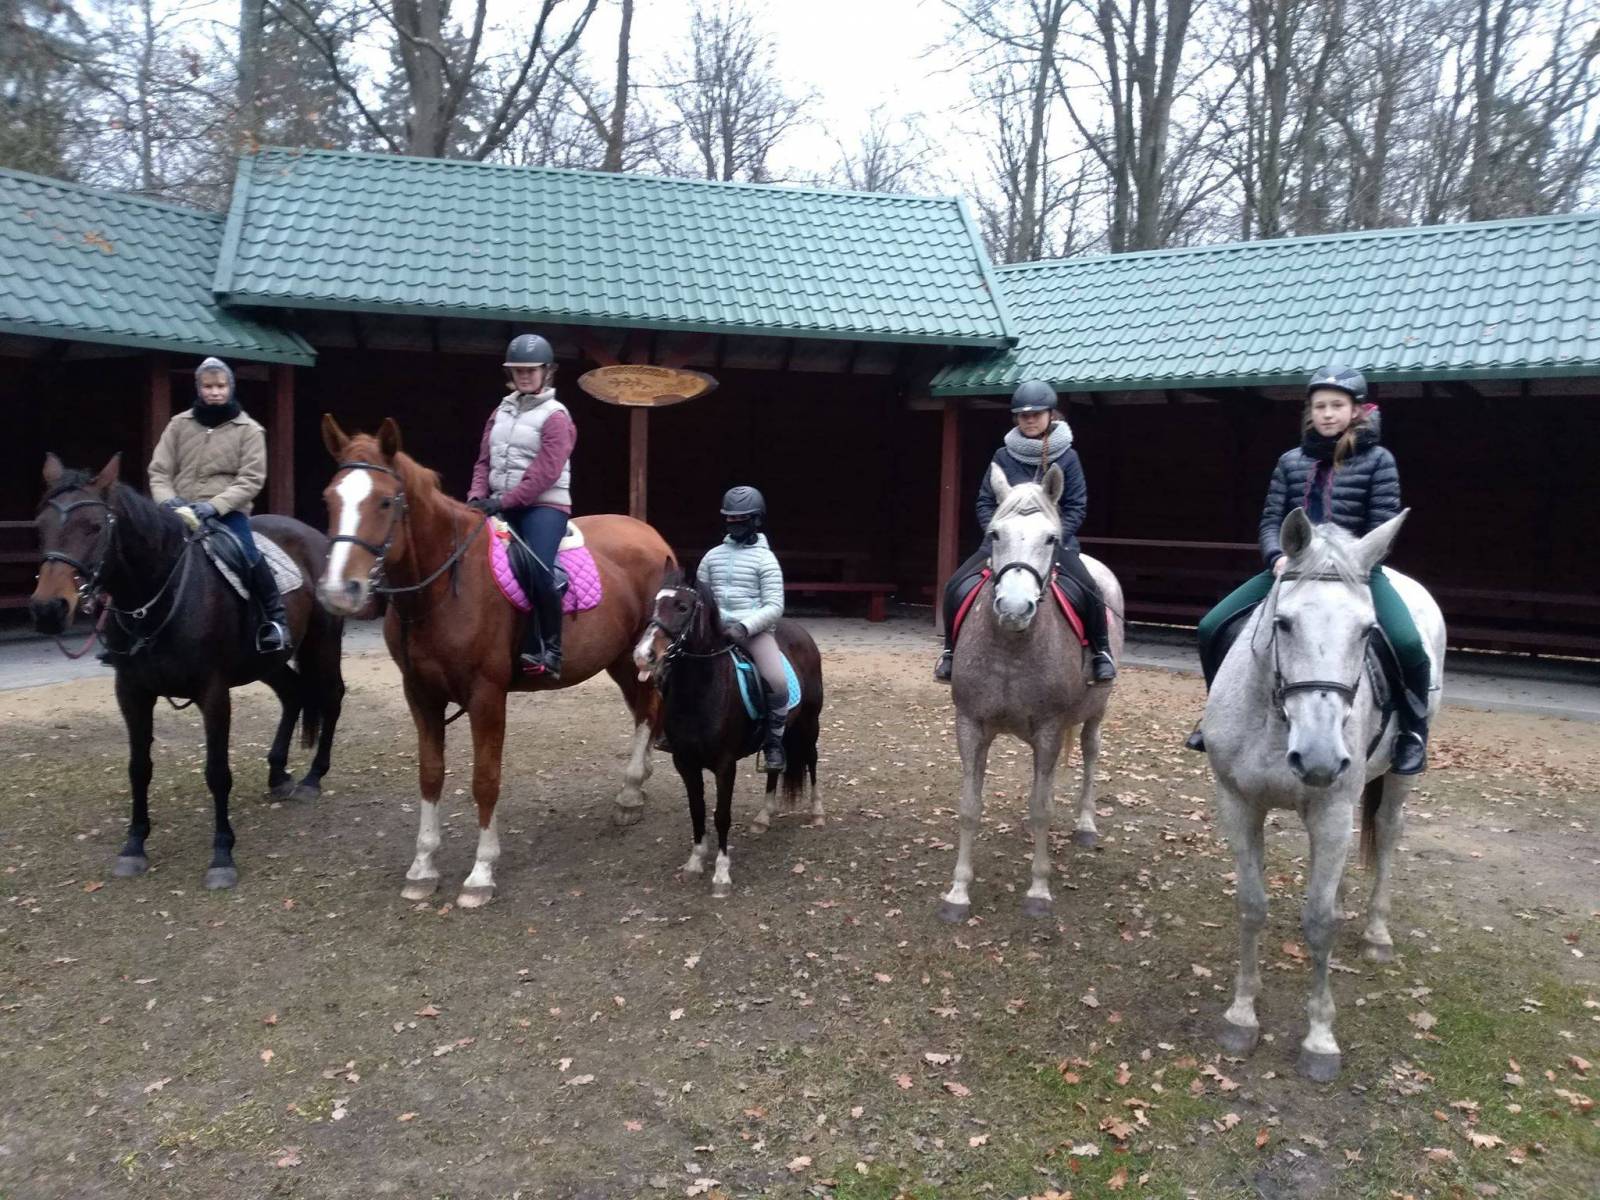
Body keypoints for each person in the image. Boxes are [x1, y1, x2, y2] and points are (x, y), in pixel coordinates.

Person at [1184, 365, 1432, 774]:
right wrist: (1276, 557)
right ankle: (1217, 714)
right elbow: (1271, 520)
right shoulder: (1290, 461)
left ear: (1356, 410)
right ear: (1310, 412)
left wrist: (1353, 560)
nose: (1328, 413)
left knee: (1407, 643)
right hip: (1294, 570)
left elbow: (1382, 524)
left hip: (1355, 572)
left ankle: (1412, 731)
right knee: (1212, 625)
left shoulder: (1379, 461)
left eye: (1337, 405)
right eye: (1320, 406)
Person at [934, 380, 1116, 685]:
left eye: (1036, 414)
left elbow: (1076, 506)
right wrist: (999, 535)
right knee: (955, 585)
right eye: (1023, 415)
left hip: (1052, 543)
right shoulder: (1002, 456)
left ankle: (1101, 652)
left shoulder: (1068, 457)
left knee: (1089, 588)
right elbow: (984, 502)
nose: (1029, 420)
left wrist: (1053, 538)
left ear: (1050, 415)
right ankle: (950, 651)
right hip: (1004, 542)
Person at [148, 356, 289, 653]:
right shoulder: (178, 425)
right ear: (198, 388)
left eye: (220, 386)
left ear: (230, 388)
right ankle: (124, 630)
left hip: (226, 514)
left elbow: (251, 479)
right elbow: (159, 472)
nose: (214, 392)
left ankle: (275, 620)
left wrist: (214, 506)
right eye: (208, 386)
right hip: (178, 512)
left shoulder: (249, 430)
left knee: (248, 554)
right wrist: (168, 501)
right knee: (138, 553)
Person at [468, 333, 575, 680]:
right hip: (499, 503)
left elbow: (546, 472)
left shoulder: (556, 416)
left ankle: (551, 649)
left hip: (544, 506)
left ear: (547, 371)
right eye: (519, 370)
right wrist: (476, 497)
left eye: (531, 370)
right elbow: (483, 461)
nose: (525, 375)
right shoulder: (500, 412)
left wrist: (502, 502)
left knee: (538, 568)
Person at [698, 486, 789, 772]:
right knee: (674, 669)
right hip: (714, 631)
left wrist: (744, 627)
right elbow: (702, 596)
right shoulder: (712, 557)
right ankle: (670, 728)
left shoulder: (766, 559)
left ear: (756, 520)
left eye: (741, 519)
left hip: (753, 632)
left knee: (777, 681)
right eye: (730, 518)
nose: (734, 523)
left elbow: (774, 605)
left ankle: (773, 743)